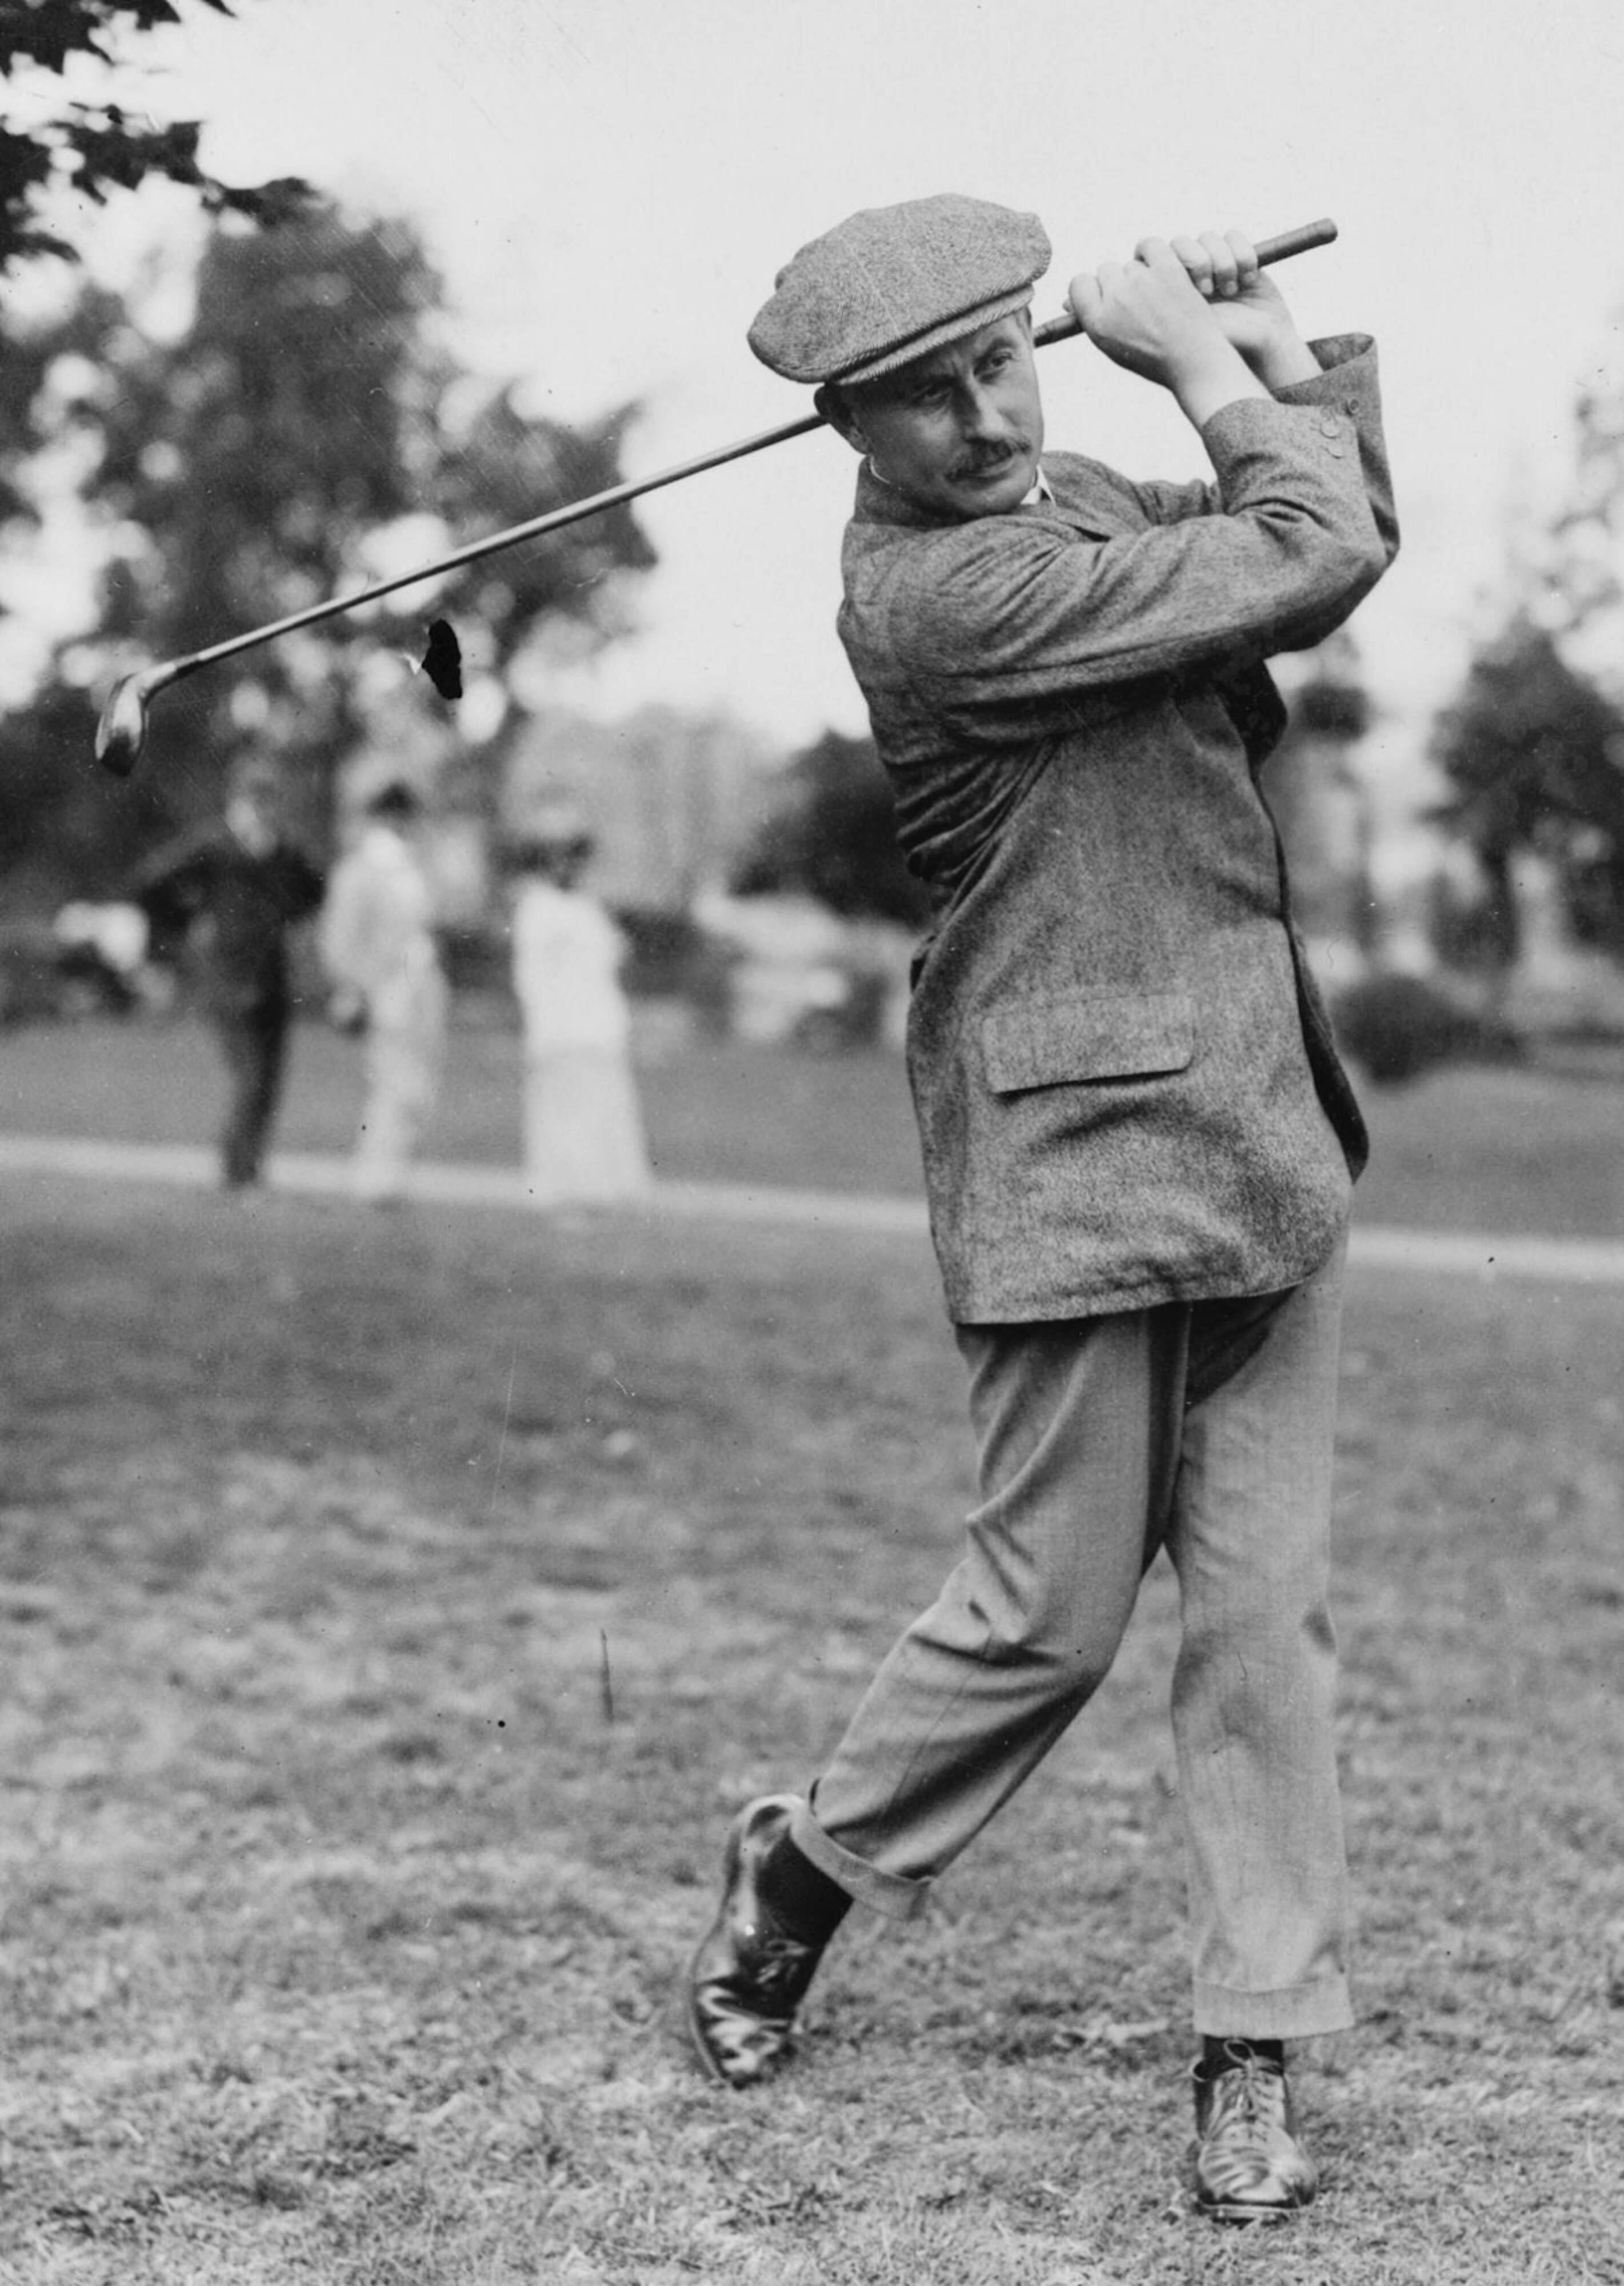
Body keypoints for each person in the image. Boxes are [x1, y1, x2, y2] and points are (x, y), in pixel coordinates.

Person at [685, 195, 1398, 2226]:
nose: (986, 420)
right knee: (1044, 1616)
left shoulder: (1073, 486)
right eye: (925, 400)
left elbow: (1330, 543)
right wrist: (1203, 373)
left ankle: (1252, 2039)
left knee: (1266, 1625)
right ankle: (802, 1868)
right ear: (850, 433)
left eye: (1001, 358)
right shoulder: (938, 599)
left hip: (1264, 1127)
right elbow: (1301, 544)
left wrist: (1276, 346)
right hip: (1075, 1159)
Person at [131, 750, 324, 1188]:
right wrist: (185, 925)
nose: (262, 810)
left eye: (269, 800)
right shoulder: (213, 846)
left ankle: (249, 1168)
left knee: (270, 1080)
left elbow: (315, 891)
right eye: (254, 799)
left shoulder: (286, 851)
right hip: (226, 977)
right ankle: (237, 1173)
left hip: (272, 975)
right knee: (251, 1075)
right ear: (236, 800)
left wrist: (287, 919)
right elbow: (151, 884)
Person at [506, 826, 652, 1209]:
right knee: (564, 1112)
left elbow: (612, 960)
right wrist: (543, 1027)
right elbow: (531, 979)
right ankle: (568, 1191)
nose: (570, 867)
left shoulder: (588, 909)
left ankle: (608, 1187)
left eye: (577, 859)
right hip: (560, 1029)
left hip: (600, 1026)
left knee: (605, 1107)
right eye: (562, 858)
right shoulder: (536, 908)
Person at [318, 779, 447, 1205]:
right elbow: (339, 943)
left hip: (421, 988)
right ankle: (376, 1180)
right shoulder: (360, 871)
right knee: (395, 1086)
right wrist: (363, 987)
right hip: (388, 990)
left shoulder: (413, 868)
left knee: (418, 1090)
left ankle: (393, 1178)